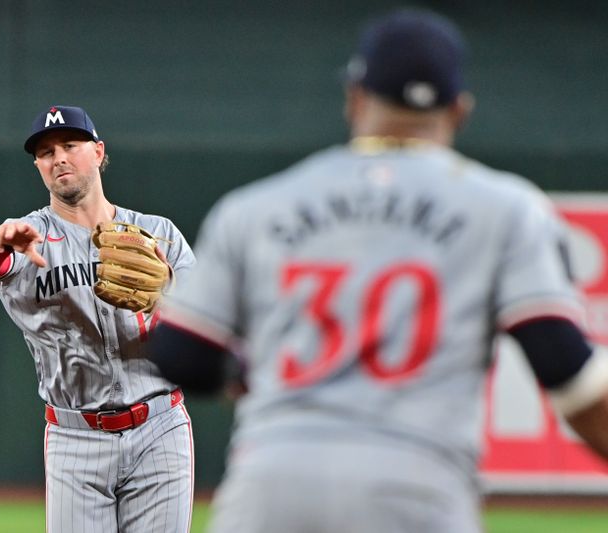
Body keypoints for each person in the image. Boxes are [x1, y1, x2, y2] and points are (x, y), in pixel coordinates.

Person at [148, 9, 608, 533]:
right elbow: (567, 370)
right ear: (459, 111)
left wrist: (250, 372)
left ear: (355, 99)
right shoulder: (506, 208)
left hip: (271, 483)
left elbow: (180, 353)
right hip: (417, 485)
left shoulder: (255, 207)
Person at [0, 105, 196, 533]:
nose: (58, 157)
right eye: (46, 152)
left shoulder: (157, 232)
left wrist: (171, 290)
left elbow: (206, 326)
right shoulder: (26, 235)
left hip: (160, 426)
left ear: (99, 152)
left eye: (70, 145)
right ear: (38, 167)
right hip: (74, 435)